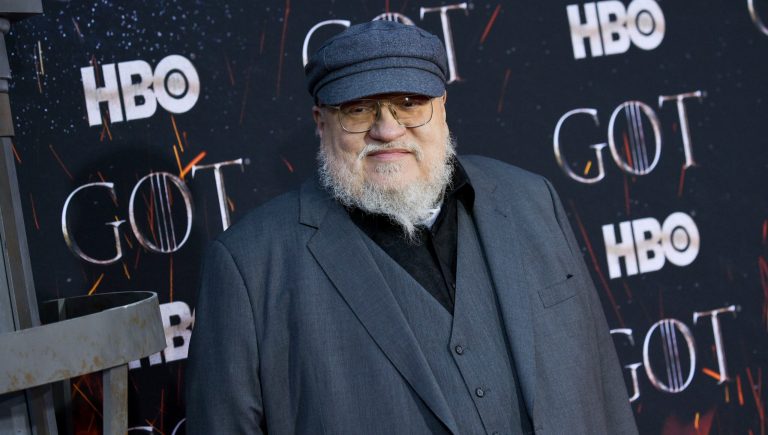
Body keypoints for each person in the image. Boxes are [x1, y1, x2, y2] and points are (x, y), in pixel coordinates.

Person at [186, 20, 638, 434]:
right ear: (320, 122)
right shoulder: (248, 266)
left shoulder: (532, 200)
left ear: (441, 108)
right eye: (359, 109)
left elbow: (602, 389)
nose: (387, 129)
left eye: (408, 103)